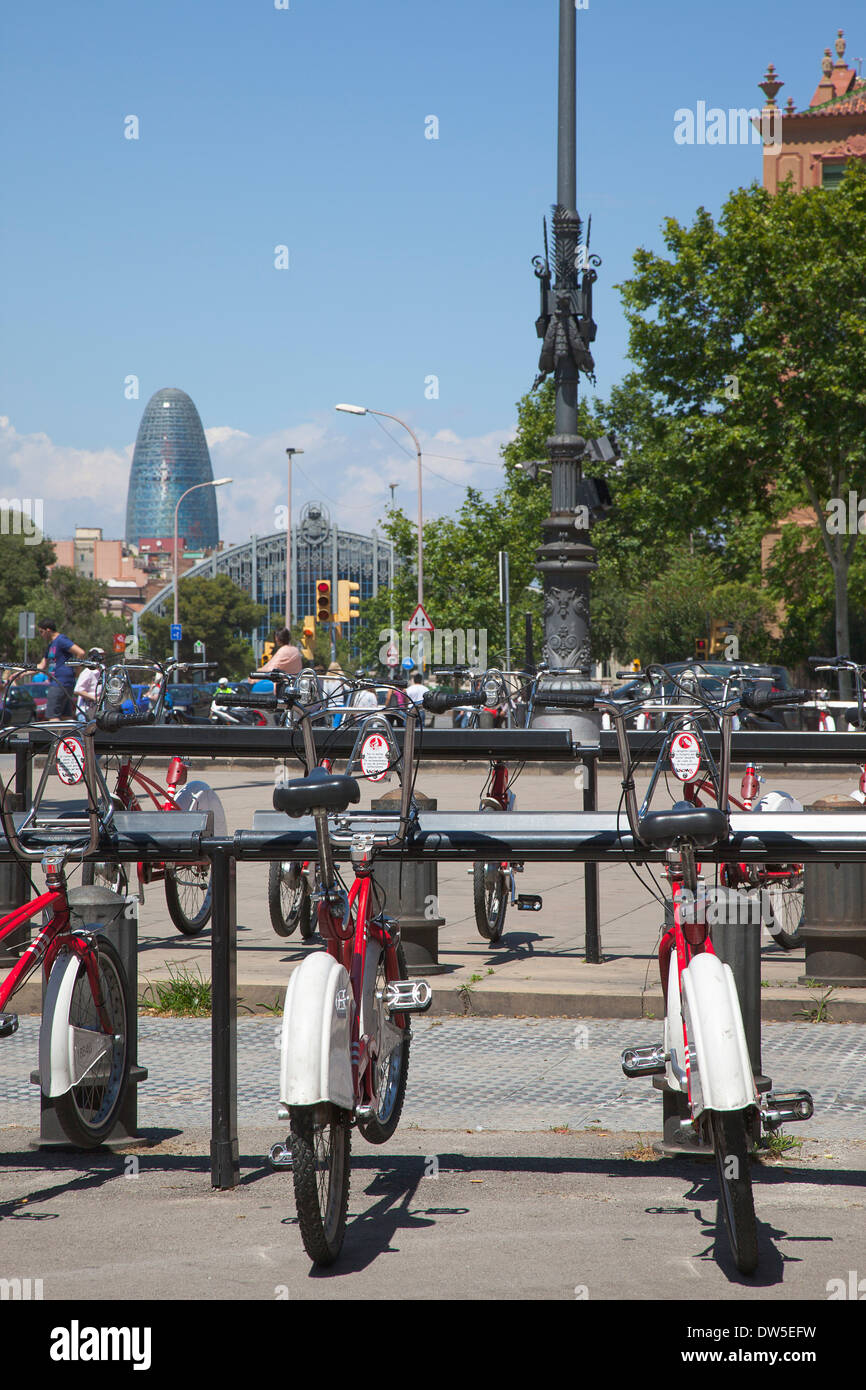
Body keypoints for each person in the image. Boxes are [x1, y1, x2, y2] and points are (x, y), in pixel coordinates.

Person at [36, 619, 85, 720]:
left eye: (41, 632)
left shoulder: (61, 640)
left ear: (48, 630)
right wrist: (21, 673)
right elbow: (41, 665)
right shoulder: (51, 645)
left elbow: (80, 652)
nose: (41, 635)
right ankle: (73, 735)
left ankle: (56, 736)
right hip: (61, 683)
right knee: (65, 716)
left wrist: (77, 672)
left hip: (59, 683)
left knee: (52, 716)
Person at [73, 647, 105, 721]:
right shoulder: (87, 672)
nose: (102, 658)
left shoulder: (103, 670)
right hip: (84, 711)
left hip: (96, 711)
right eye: (100, 655)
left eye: (103, 655)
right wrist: (94, 698)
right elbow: (77, 690)